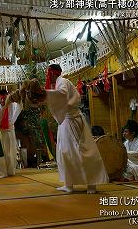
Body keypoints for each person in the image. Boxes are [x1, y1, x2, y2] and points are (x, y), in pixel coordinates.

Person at [45, 64, 108, 194]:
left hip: (71, 120)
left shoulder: (62, 81)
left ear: (52, 73)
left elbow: (61, 94)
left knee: (77, 151)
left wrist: (44, 93)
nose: (47, 76)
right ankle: (70, 184)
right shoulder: (59, 83)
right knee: (66, 152)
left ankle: (90, 184)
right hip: (67, 120)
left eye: (48, 73)